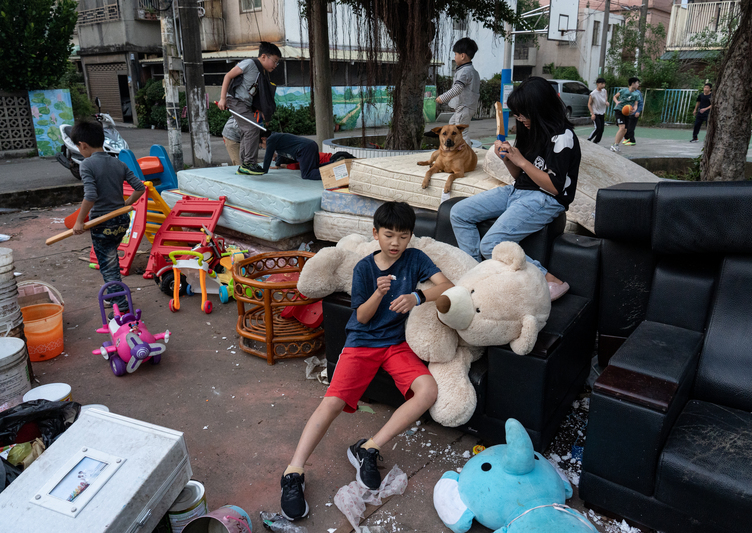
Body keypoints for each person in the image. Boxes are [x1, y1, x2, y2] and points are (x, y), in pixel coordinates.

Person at [279, 201, 453, 521]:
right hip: (361, 343)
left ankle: (369, 448)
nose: (396, 242)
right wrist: (378, 293)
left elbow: (447, 286)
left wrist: (418, 296)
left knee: (427, 390)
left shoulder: (414, 259)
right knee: (331, 403)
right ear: (376, 234)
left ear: (410, 237)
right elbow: (361, 316)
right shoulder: (364, 268)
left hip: (396, 344)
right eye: (389, 235)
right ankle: (293, 473)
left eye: (403, 236)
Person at [449, 77, 580, 302]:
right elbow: (521, 176)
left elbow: (554, 187)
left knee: (491, 245)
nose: (520, 119)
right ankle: (475, 277)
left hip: (545, 199)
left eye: (523, 114)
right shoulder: (531, 131)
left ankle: (549, 280)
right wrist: (508, 158)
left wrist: (521, 161)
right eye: (518, 114)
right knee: (459, 213)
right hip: (517, 191)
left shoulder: (563, 138)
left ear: (540, 109)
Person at [70, 120, 145, 317]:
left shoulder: (87, 164)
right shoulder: (118, 162)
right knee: (110, 259)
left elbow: (91, 195)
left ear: (83, 145)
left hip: (101, 223)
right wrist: (124, 206)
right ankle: (115, 297)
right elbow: (140, 187)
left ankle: (121, 308)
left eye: (78, 147)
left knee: (109, 266)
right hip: (121, 221)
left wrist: (79, 221)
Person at [217, 41, 281, 175]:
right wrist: (223, 98)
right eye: (274, 61)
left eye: (277, 63)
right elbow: (228, 76)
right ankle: (249, 163)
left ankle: (245, 164)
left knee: (247, 130)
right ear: (264, 57)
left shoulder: (261, 72)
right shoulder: (250, 64)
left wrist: (263, 111)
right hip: (235, 100)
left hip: (246, 104)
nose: (275, 65)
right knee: (252, 128)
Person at [436, 37, 480, 147]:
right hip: (467, 107)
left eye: (455, 54)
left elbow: (457, 89)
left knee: (462, 131)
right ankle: (457, 149)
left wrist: (442, 98)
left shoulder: (465, 71)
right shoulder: (473, 71)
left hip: (464, 107)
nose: (455, 57)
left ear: (462, 55)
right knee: (452, 126)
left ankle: (467, 154)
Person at [610, 77, 640, 152]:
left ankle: (615, 145)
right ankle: (615, 145)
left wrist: (635, 109)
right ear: (633, 83)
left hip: (627, 112)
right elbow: (615, 96)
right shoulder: (623, 90)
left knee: (625, 130)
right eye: (637, 83)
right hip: (619, 110)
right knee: (622, 127)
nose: (638, 85)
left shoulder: (636, 94)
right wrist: (616, 102)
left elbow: (636, 104)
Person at [587, 77, 608, 144]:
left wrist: (606, 102)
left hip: (602, 112)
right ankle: (589, 139)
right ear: (597, 84)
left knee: (602, 129)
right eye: (601, 84)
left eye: (604, 84)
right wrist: (592, 114)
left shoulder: (604, 91)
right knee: (598, 128)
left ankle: (596, 141)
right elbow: (589, 104)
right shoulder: (593, 93)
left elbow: (605, 99)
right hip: (596, 113)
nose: (603, 85)